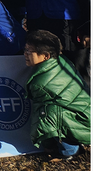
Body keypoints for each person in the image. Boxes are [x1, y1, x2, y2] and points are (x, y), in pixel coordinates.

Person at [24, 30, 90, 160]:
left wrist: (46, 145)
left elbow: (40, 116)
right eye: (25, 50)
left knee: (49, 112)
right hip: (85, 117)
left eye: (29, 51)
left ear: (46, 56)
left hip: (85, 124)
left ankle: (70, 151)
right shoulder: (60, 61)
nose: (25, 54)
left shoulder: (40, 83)